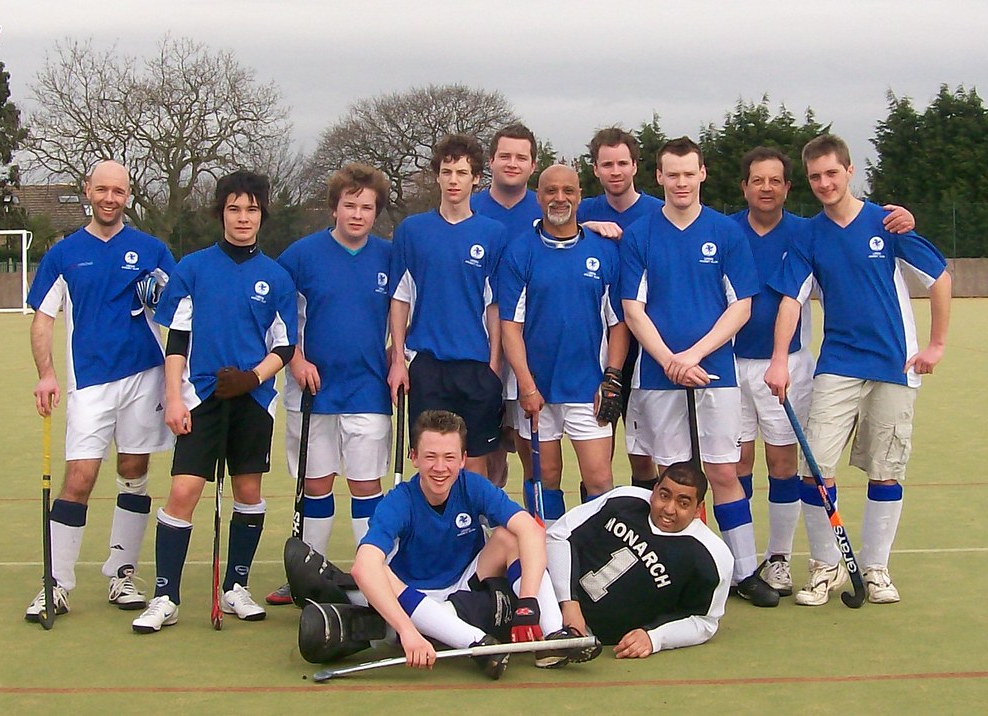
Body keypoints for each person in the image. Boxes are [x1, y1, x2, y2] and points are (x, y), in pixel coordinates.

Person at [765, 134, 951, 606]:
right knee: (815, 469)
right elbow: (792, 298)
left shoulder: (887, 222)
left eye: (832, 173)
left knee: (886, 471)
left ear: (849, 170)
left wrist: (936, 344)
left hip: (894, 365)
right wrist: (780, 359)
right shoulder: (809, 234)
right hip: (838, 365)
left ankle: (875, 569)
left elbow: (940, 277)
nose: (825, 183)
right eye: (815, 177)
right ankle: (826, 568)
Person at [732, 147, 915, 596]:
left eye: (776, 180)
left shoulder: (804, 230)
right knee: (733, 468)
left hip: (797, 366)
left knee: (787, 465)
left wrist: (906, 220)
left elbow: (793, 300)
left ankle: (781, 560)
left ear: (789, 187)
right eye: (758, 179)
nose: (767, 187)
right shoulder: (725, 229)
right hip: (730, 366)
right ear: (744, 186)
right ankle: (736, 563)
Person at [131, 170, 298, 632]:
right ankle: (166, 596)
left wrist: (251, 378)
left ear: (262, 214)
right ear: (221, 213)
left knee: (248, 492)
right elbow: (177, 340)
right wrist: (173, 400)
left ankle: (235, 586)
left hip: (252, 399)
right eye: (234, 209)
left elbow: (283, 347)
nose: (243, 218)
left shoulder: (276, 277)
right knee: (184, 491)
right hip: (199, 396)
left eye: (251, 209)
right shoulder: (192, 269)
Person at [620, 136, 780, 607]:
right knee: (671, 480)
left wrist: (692, 356)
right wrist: (670, 360)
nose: (682, 182)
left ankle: (744, 572)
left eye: (690, 173)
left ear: (702, 174)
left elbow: (742, 306)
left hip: (715, 373)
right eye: (673, 174)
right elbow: (633, 309)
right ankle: (675, 575)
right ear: (659, 177)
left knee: (723, 470)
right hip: (657, 376)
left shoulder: (725, 233)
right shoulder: (641, 235)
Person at [25, 160, 176, 622]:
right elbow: (43, 318)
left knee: (134, 470)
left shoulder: (151, 249)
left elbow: (178, 310)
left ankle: (122, 573)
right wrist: (47, 374)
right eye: (102, 189)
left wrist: (162, 293)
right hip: (89, 383)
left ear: (127, 195)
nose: (110, 198)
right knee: (80, 478)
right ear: (87, 190)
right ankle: (56, 583)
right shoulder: (64, 253)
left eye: (119, 191)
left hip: (143, 377)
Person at [351, 410, 590, 679]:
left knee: (510, 535)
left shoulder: (472, 486)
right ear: (414, 457)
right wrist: (408, 632)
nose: (440, 467)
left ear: (463, 459)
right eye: (430, 456)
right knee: (378, 568)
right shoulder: (399, 502)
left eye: (450, 457)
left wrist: (528, 601)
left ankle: (552, 638)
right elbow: (362, 568)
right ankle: (478, 644)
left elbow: (531, 530)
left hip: (465, 586)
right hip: (416, 599)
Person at [264, 164, 394, 607]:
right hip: (312, 392)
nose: (357, 214)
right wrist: (296, 359)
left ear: (376, 212)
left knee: (366, 486)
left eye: (367, 207)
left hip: (369, 390)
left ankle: (371, 576)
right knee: (315, 485)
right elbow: (277, 319)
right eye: (350, 205)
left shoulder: (389, 256)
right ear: (334, 207)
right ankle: (308, 574)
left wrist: (399, 358)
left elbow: (404, 316)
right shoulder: (300, 256)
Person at [498, 164, 628, 522]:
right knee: (544, 477)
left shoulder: (603, 253)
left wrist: (612, 378)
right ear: (538, 197)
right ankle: (549, 558)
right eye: (551, 191)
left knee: (600, 478)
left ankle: (595, 557)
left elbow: (618, 324)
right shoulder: (519, 252)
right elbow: (510, 326)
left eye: (568, 191)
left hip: (588, 389)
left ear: (579, 196)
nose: (560, 198)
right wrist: (525, 385)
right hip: (536, 392)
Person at [388, 134, 506, 479]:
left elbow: (494, 306)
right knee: (432, 464)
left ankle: (476, 533)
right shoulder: (412, 230)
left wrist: (494, 366)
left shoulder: (493, 233)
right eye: (447, 171)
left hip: (476, 367)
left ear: (476, 179)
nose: (454, 180)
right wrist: (398, 359)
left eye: (462, 172)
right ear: (437, 176)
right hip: (428, 366)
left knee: (474, 465)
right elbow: (400, 297)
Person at [547, 462, 733, 657]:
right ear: (654, 491)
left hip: (602, 641)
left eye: (683, 503)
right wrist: (568, 603)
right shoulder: (624, 501)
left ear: (698, 509)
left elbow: (705, 622)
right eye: (664, 495)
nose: (669, 509)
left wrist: (654, 637)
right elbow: (558, 536)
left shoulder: (713, 556)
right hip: (552, 599)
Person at [577, 127, 664, 490]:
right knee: (597, 456)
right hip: (597, 350)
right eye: (607, 164)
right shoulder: (582, 211)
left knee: (644, 454)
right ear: (595, 169)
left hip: (647, 349)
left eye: (622, 163)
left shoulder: (658, 213)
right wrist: (582, 226)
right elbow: (543, 234)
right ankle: (595, 537)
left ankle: (647, 535)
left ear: (635, 166)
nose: (615, 171)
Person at [471, 123, 542, 488]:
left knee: (532, 450)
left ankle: (536, 539)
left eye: (521, 157)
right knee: (487, 451)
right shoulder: (469, 209)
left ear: (533, 164)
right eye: (505, 156)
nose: (512, 163)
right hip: (478, 348)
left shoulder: (548, 208)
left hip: (532, 347)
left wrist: (596, 224)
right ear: (491, 161)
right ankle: (489, 538)